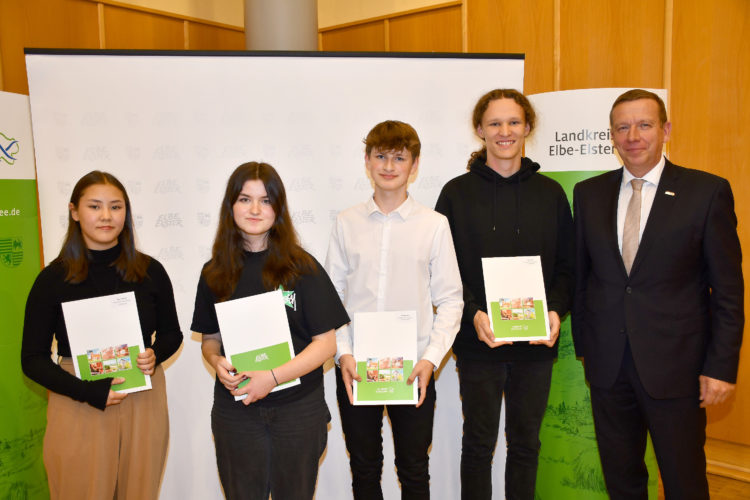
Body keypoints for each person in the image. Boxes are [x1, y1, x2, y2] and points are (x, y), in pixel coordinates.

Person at [572, 89, 744, 500]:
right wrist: (586, 347)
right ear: (611, 135)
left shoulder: (706, 192)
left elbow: (728, 291)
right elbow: (582, 278)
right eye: (622, 127)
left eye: (644, 124)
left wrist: (720, 367)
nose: (633, 135)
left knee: (684, 480)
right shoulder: (588, 194)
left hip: (678, 370)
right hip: (609, 368)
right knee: (622, 479)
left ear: (666, 130)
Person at [435, 89, 574, 500]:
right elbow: (444, 271)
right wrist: (473, 314)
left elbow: (567, 268)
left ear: (527, 126)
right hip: (479, 343)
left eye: (513, 122)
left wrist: (555, 311)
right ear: (480, 130)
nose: (505, 131)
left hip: (535, 344)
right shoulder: (456, 194)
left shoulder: (550, 194)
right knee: (478, 446)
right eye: (494, 123)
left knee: (526, 445)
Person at [191, 162, 349, 500]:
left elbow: (326, 344)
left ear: (278, 208)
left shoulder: (302, 267)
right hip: (237, 411)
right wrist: (215, 360)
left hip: (297, 409)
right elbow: (210, 339)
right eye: (245, 199)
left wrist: (273, 377)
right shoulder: (214, 272)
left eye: (265, 200)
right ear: (230, 206)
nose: (254, 209)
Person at [21, 170, 183, 500]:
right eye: (95, 206)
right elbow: (32, 360)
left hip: (142, 394)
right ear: (74, 211)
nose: (107, 216)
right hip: (78, 397)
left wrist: (155, 354)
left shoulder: (150, 271)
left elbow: (171, 334)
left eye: (116, 206)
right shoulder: (53, 278)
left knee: (139, 489)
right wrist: (87, 391)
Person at [325, 120, 463, 499]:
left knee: (414, 469)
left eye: (399, 158)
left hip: (414, 367)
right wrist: (344, 353)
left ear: (414, 165)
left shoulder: (434, 226)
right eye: (380, 156)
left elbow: (451, 299)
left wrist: (431, 359)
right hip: (355, 367)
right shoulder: (346, 223)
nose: (389, 165)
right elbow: (330, 297)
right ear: (367, 161)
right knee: (364, 467)